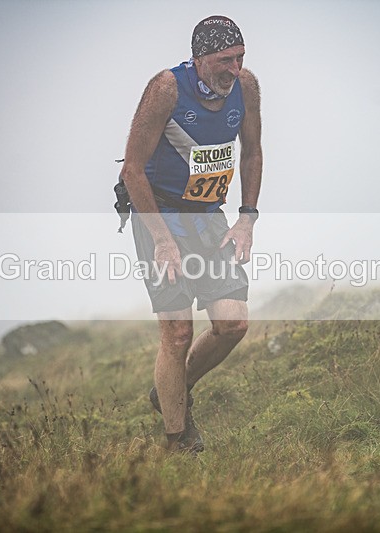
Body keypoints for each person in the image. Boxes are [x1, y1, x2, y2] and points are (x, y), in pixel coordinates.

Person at [119, 15, 262, 453]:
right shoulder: (166, 89)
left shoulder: (246, 87)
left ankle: (171, 391)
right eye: (224, 60)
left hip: (208, 217)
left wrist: (247, 218)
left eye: (239, 58)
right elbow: (132, 170)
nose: (233, 69)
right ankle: (178, 442)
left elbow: (253, 150)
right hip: (158, 216)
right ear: (200, 59)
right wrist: (162, 239)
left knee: (233, 322)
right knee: (177, 333)